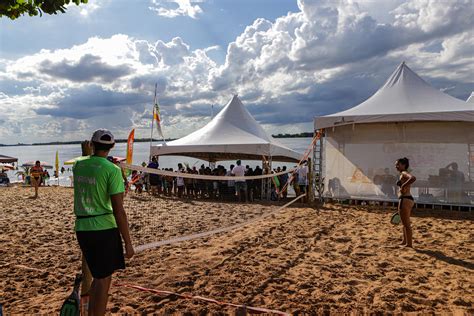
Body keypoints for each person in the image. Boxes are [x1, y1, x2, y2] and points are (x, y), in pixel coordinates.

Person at [73, 129, 134, 315]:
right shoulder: (112, 170)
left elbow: (90, 169)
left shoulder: (78, 164)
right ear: (112, 147)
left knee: (97, 277)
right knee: (103, 280)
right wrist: (128, 243)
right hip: (104, 228)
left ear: (92, 144)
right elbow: (119, 210)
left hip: (82, 227)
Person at [395, 157, 416, 248]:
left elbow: (413, 178)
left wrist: (403, 185)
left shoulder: (404, 173)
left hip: (405, 199)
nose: (396, 166)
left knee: (406, 224)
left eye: (398, 164)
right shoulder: (402, 173)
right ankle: (404, 241)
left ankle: (409, 244)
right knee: (404, 223)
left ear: (404, 165)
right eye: (396, 164)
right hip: (406, 199)